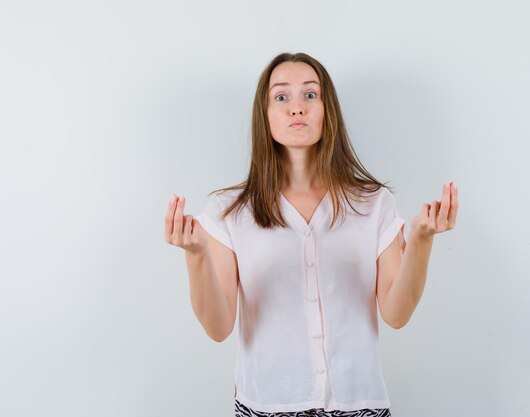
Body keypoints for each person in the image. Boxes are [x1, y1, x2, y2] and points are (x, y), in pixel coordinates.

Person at [164, 52, 458, 417]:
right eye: (281, 97)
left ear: (326, 110)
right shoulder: (229, 210)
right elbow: (218, 326)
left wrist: (421, 241)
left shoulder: (373, 203)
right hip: (265, 404)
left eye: (310, 95)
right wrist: (195, 256)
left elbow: (396, 314)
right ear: (265, 115)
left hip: (359, 403)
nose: (296, 108)